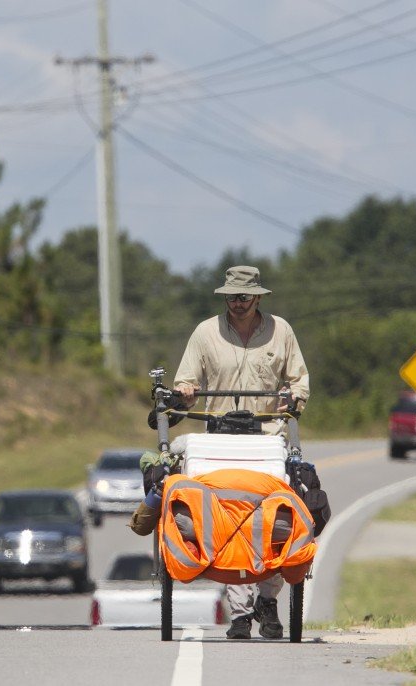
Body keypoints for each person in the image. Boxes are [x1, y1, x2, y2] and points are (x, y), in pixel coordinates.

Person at [173, 265, 310, 641]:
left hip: (267, 439)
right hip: (219, 439)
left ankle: (269, 598)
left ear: (258, 298)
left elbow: (299, 379)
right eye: (231, 296)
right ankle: (240, 613)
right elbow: (186, 379)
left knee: (276, 519)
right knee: (225, 522)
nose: (237, 303)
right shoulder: (205, 333)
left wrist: (292, 398)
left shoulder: (281, 331)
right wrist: (185, 391)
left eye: (244, 297)